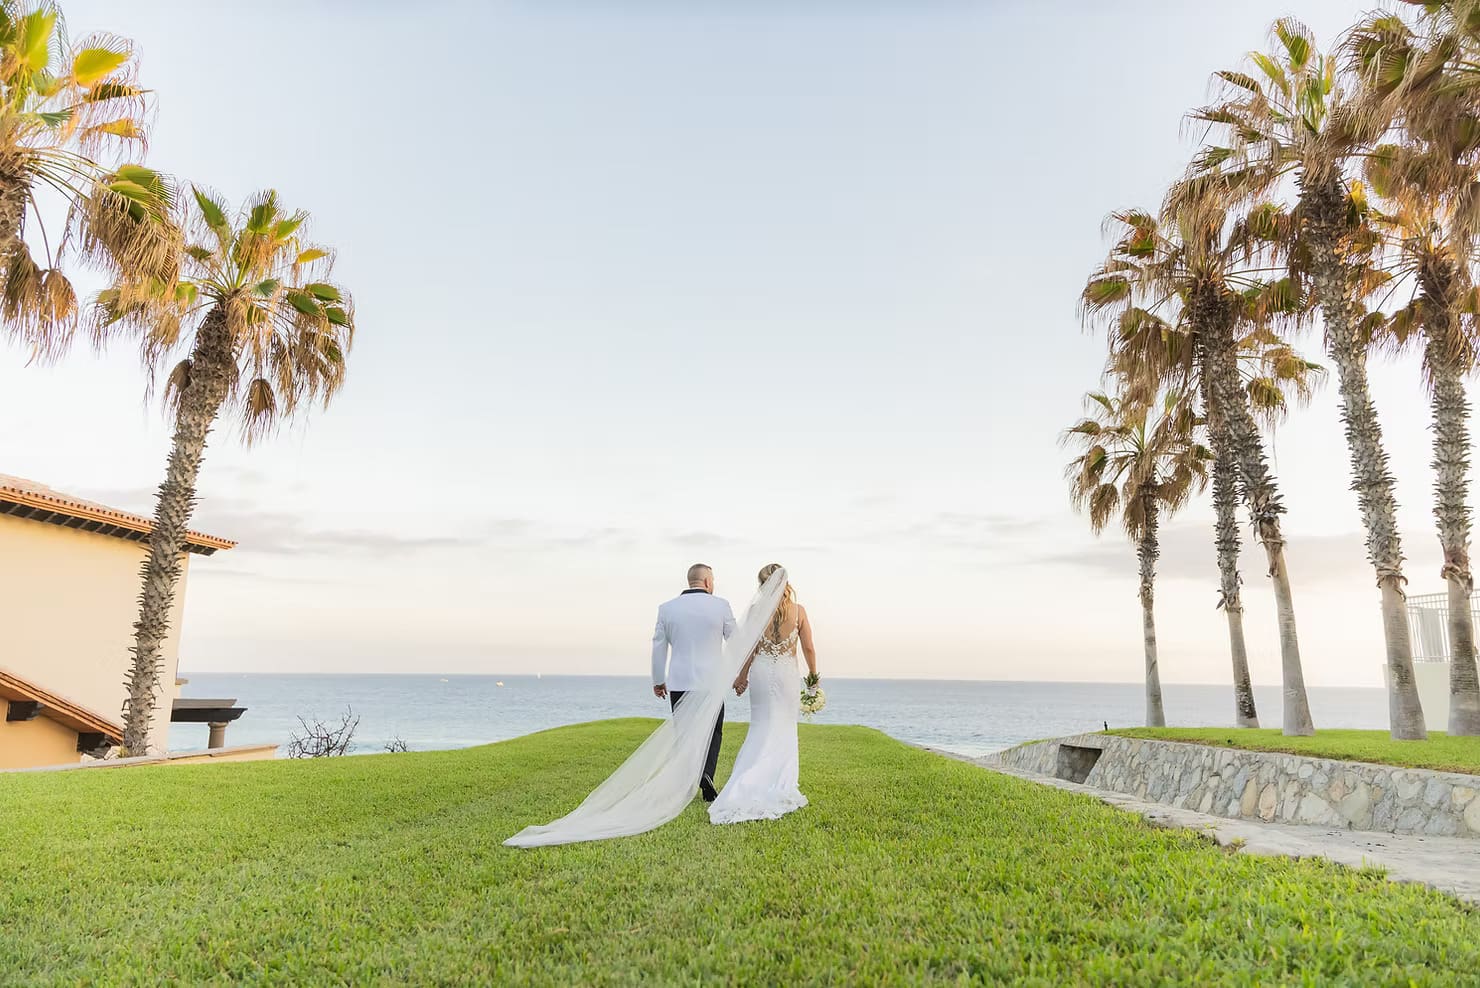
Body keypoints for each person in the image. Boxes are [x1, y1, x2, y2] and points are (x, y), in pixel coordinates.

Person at [709, 563, 818, 825]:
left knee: (760, 726)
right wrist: (813, 680)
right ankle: (779, 782)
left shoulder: (758, 611)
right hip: (786, 676)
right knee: (784, 725)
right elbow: (809, 648)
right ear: (786, 583)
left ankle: (747, 780)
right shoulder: (799, 611)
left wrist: (742, 676)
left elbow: (751, 649)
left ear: (762, 585)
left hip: (760, 673)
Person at [652, 562, 737, 801]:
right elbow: (737, 641)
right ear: (708, 582)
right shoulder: (720, 606)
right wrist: (736, 674)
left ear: (690, 581)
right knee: (714, 731)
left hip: (679, 681)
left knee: (684, 732)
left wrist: (659, 680)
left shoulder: (667, 608)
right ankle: (707, 774)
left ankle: (686, 781)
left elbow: (658, 646)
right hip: (711, 681)